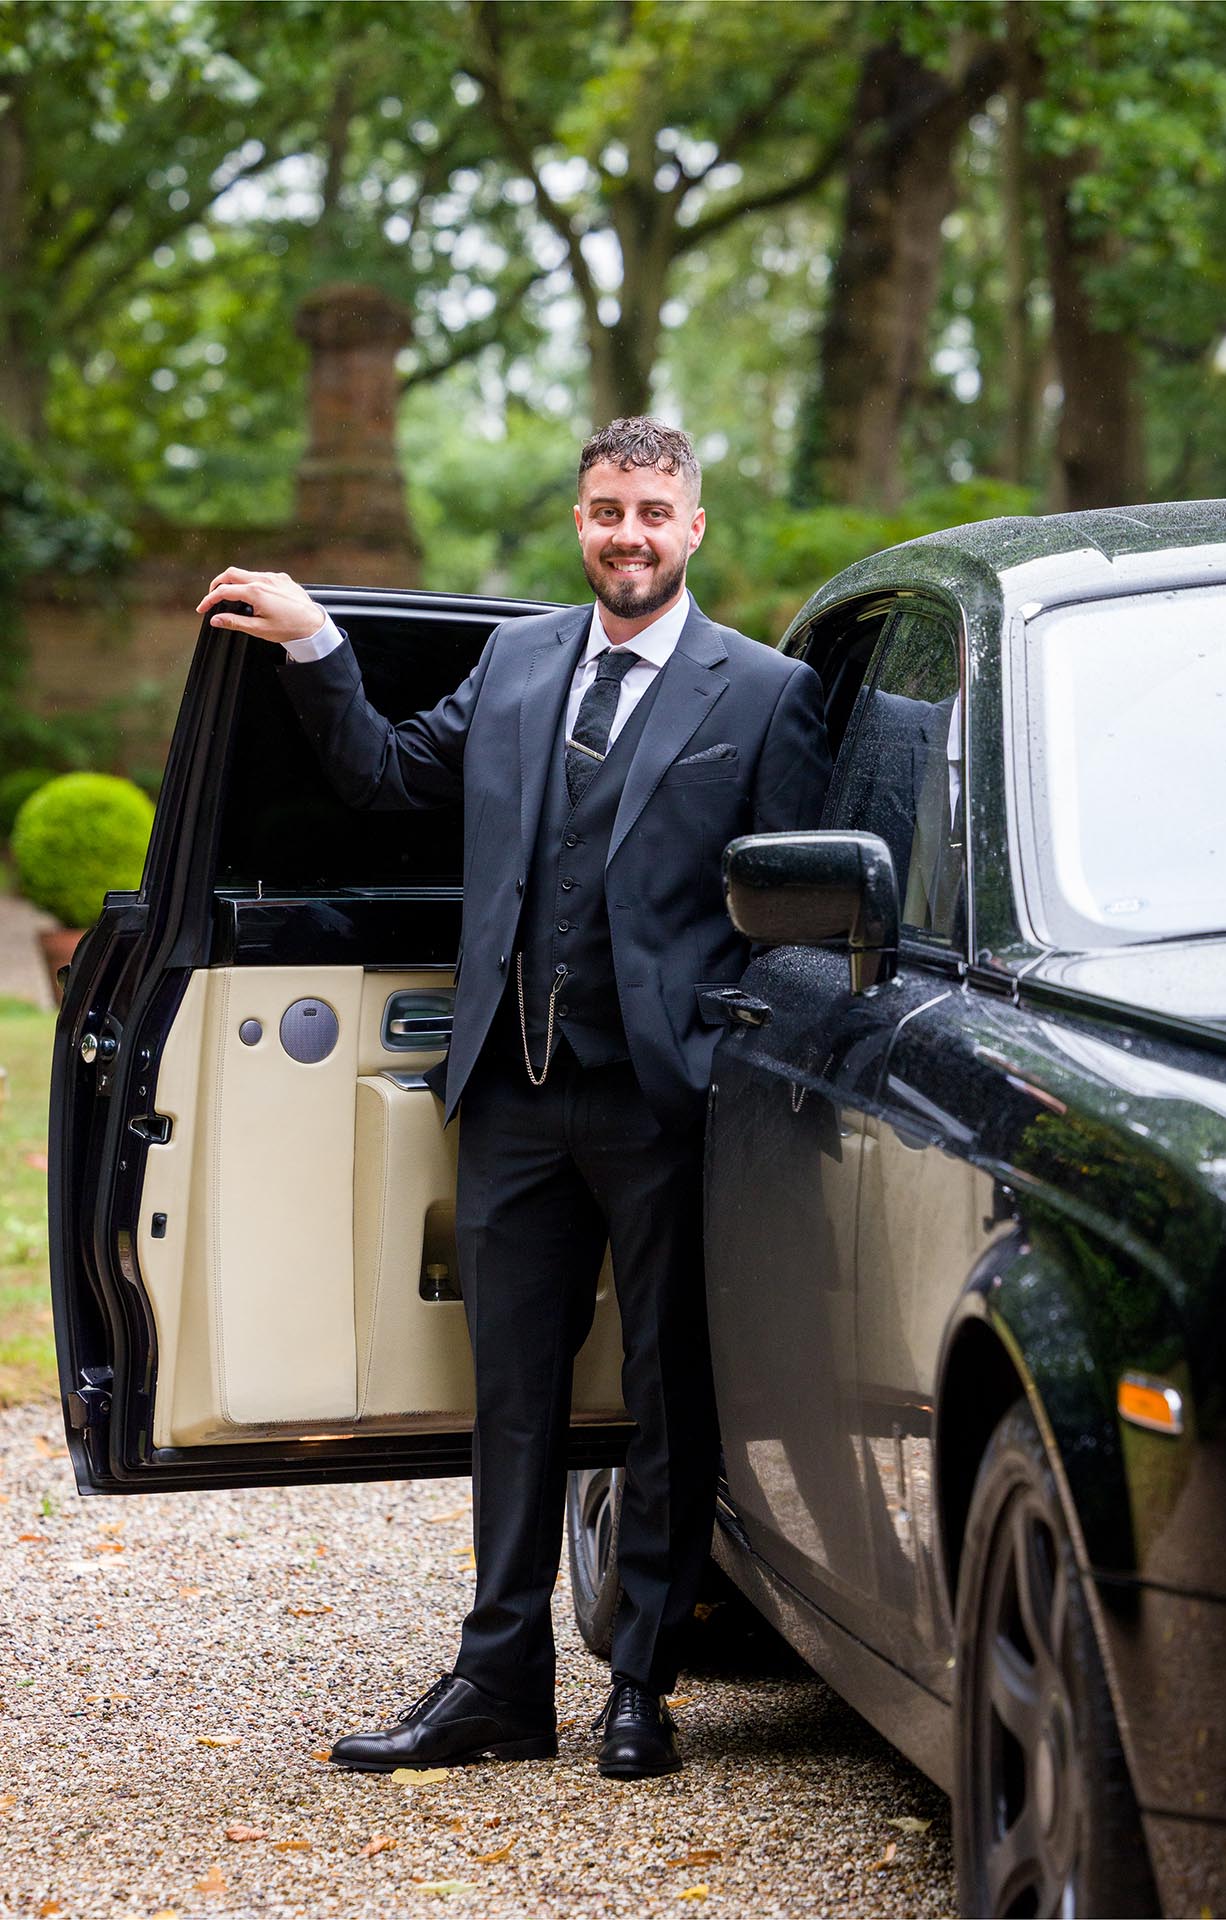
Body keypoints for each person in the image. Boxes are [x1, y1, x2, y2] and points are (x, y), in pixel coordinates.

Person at [197, 417, 831, 1779]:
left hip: (669, 1106)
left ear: (695, 529)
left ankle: (643, 1688)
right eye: (607, 510)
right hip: (512, 1095)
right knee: (515, 1401)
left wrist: (732, 1053)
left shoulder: (765, 693)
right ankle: (501, 1681)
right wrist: (315, 644)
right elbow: (380, 776)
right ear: (581, 519)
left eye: (655, 513)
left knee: (669, 1393)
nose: (629, 535)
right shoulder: (518, 658)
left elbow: (791, 913)